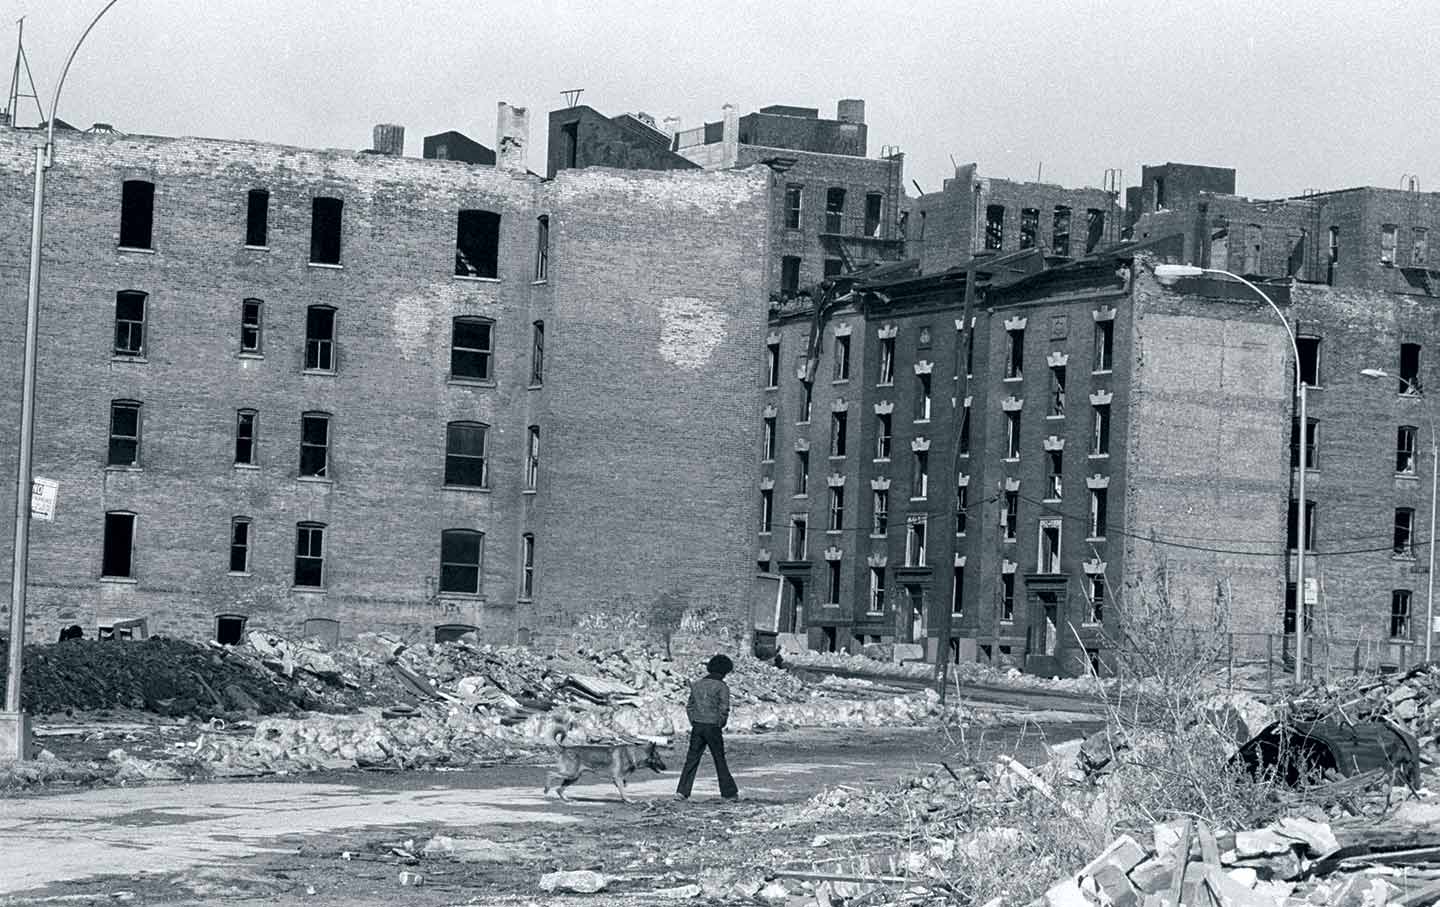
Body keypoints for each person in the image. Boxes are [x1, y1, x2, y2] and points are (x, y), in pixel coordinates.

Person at [674, 653, 739, 801]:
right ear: (724, 671)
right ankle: (728, 793)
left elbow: (689, 706)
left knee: (691, 759)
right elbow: (724, 709)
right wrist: (720, 723)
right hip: (713, 727)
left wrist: (694, 721)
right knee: (719, 759)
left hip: (697, 726)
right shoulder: (722, 686)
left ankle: (682, 792)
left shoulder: (697, 685)